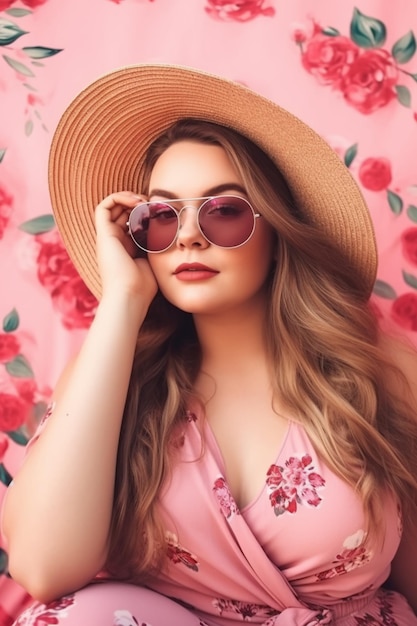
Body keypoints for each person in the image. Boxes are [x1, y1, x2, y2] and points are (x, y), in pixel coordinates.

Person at [1, 64, 417, 626]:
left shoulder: (382, 375)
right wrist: (123, 303)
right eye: (162, 216)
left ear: (278, 234)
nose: (189, 235)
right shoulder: (115, 372)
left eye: (224, 211)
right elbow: (43, 570)